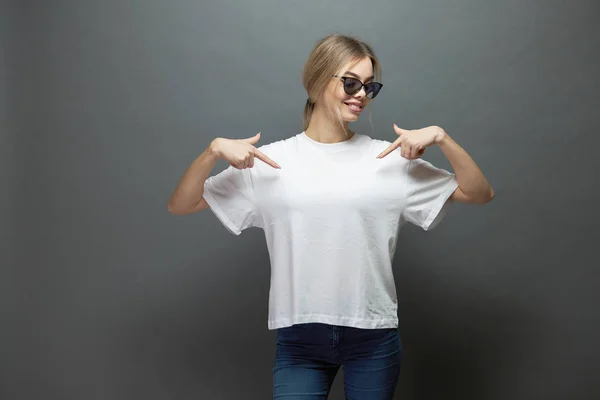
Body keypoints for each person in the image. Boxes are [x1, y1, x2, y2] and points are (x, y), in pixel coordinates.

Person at [168, 34, 494, 400]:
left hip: (373, 336)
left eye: (370, 87)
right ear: (319, 80)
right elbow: (182, 203)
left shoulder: (387, 160)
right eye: (351, 82)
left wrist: (442, 138)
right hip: (300, 338)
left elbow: (479, 193)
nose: (361, 95)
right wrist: (211, 151)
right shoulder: (271, 161)